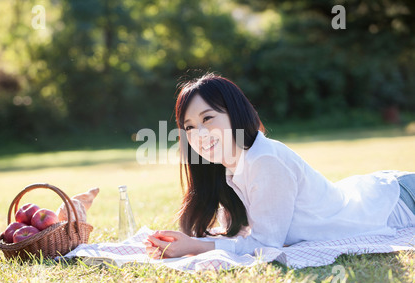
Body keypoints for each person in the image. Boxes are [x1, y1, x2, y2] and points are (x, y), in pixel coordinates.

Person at [144, 73, 415, 259]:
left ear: (235, 114)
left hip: (397, 204)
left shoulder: (265, 160)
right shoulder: (230, 167)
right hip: (380, 193)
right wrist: (186, 242)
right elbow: (243, 231)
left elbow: (265, 244)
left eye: (208, 118)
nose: (199, 134)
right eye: (189, 127)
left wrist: (195, 246)